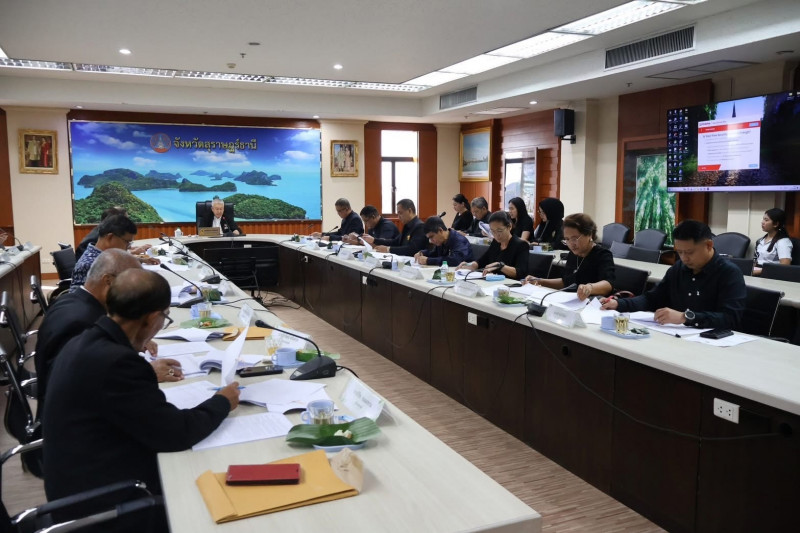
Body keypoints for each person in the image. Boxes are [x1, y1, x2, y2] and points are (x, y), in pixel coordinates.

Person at [43, 270, 241, 533]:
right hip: (103, 507)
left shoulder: (87, 340)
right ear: (151, 318)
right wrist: (222, 401)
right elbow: (175, 433)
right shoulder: (118, 363)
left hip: (74, 484)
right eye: (165, 318)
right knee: (210, 493)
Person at [35, 249, 182, 415]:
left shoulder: (74, 301)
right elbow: (78, 386)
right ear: (109, 282)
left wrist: (132, 337)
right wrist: (146, 372)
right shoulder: (80, 323)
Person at [601, 220, 746, 329]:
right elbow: (652, 298)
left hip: (711, 343)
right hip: (676, 335)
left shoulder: (729, 273)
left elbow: (730, 318)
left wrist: (685, 317)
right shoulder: (678, 268)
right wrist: (619, 304)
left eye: (689, 252)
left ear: (708, 245)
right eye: (680, 252)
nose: (684, 258)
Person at [524, 213, 615, 300]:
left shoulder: (602, 255)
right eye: (567, 239)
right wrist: (540, 281)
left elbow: (608, 284)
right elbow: (566, 282)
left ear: (589, 235)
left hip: (593, 303)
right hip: (571, 301)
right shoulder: (573, 254)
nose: (571, 244)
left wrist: (589, 288)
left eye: (575, 239)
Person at [70, 214, 139, 292]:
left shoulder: (104, 257)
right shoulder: (90, 264)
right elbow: (77, 297)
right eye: (126, 242)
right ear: (110, 237)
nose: (128, 247)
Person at [457, 211, 528, 279]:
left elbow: (520, 273)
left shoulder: (521, 245)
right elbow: (482, 260)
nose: (496, 235)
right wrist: (470, 265)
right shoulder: (496, 242)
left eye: (499, 231)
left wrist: (501, 266)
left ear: (509, 226)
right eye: (492, 231)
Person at [753, 208, 793, 276]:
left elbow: (785, 266)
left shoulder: (783, 242)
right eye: (763, 219)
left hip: (771, 275)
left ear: (776, 224)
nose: (762, 222)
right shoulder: (760, 241)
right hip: (758, 271)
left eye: (766, 220)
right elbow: (756, 261)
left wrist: (756, 272)